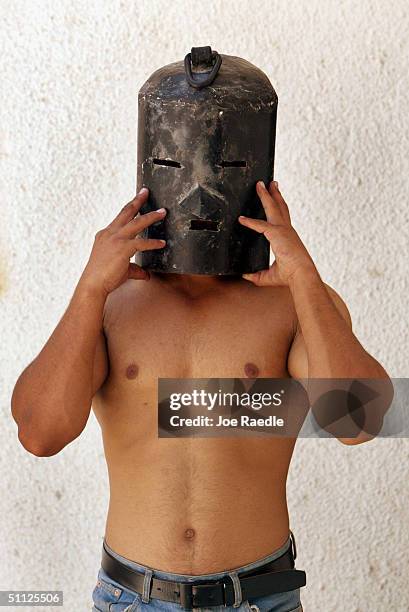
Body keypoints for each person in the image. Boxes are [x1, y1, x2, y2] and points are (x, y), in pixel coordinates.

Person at [11, 180, 390, 612]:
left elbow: (357, 424)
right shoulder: (111, 301)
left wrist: (304, 276)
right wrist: (89, 288)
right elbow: (40, 435)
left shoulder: (293, 303)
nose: (202, 192)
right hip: (132, 597)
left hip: (259, 597)